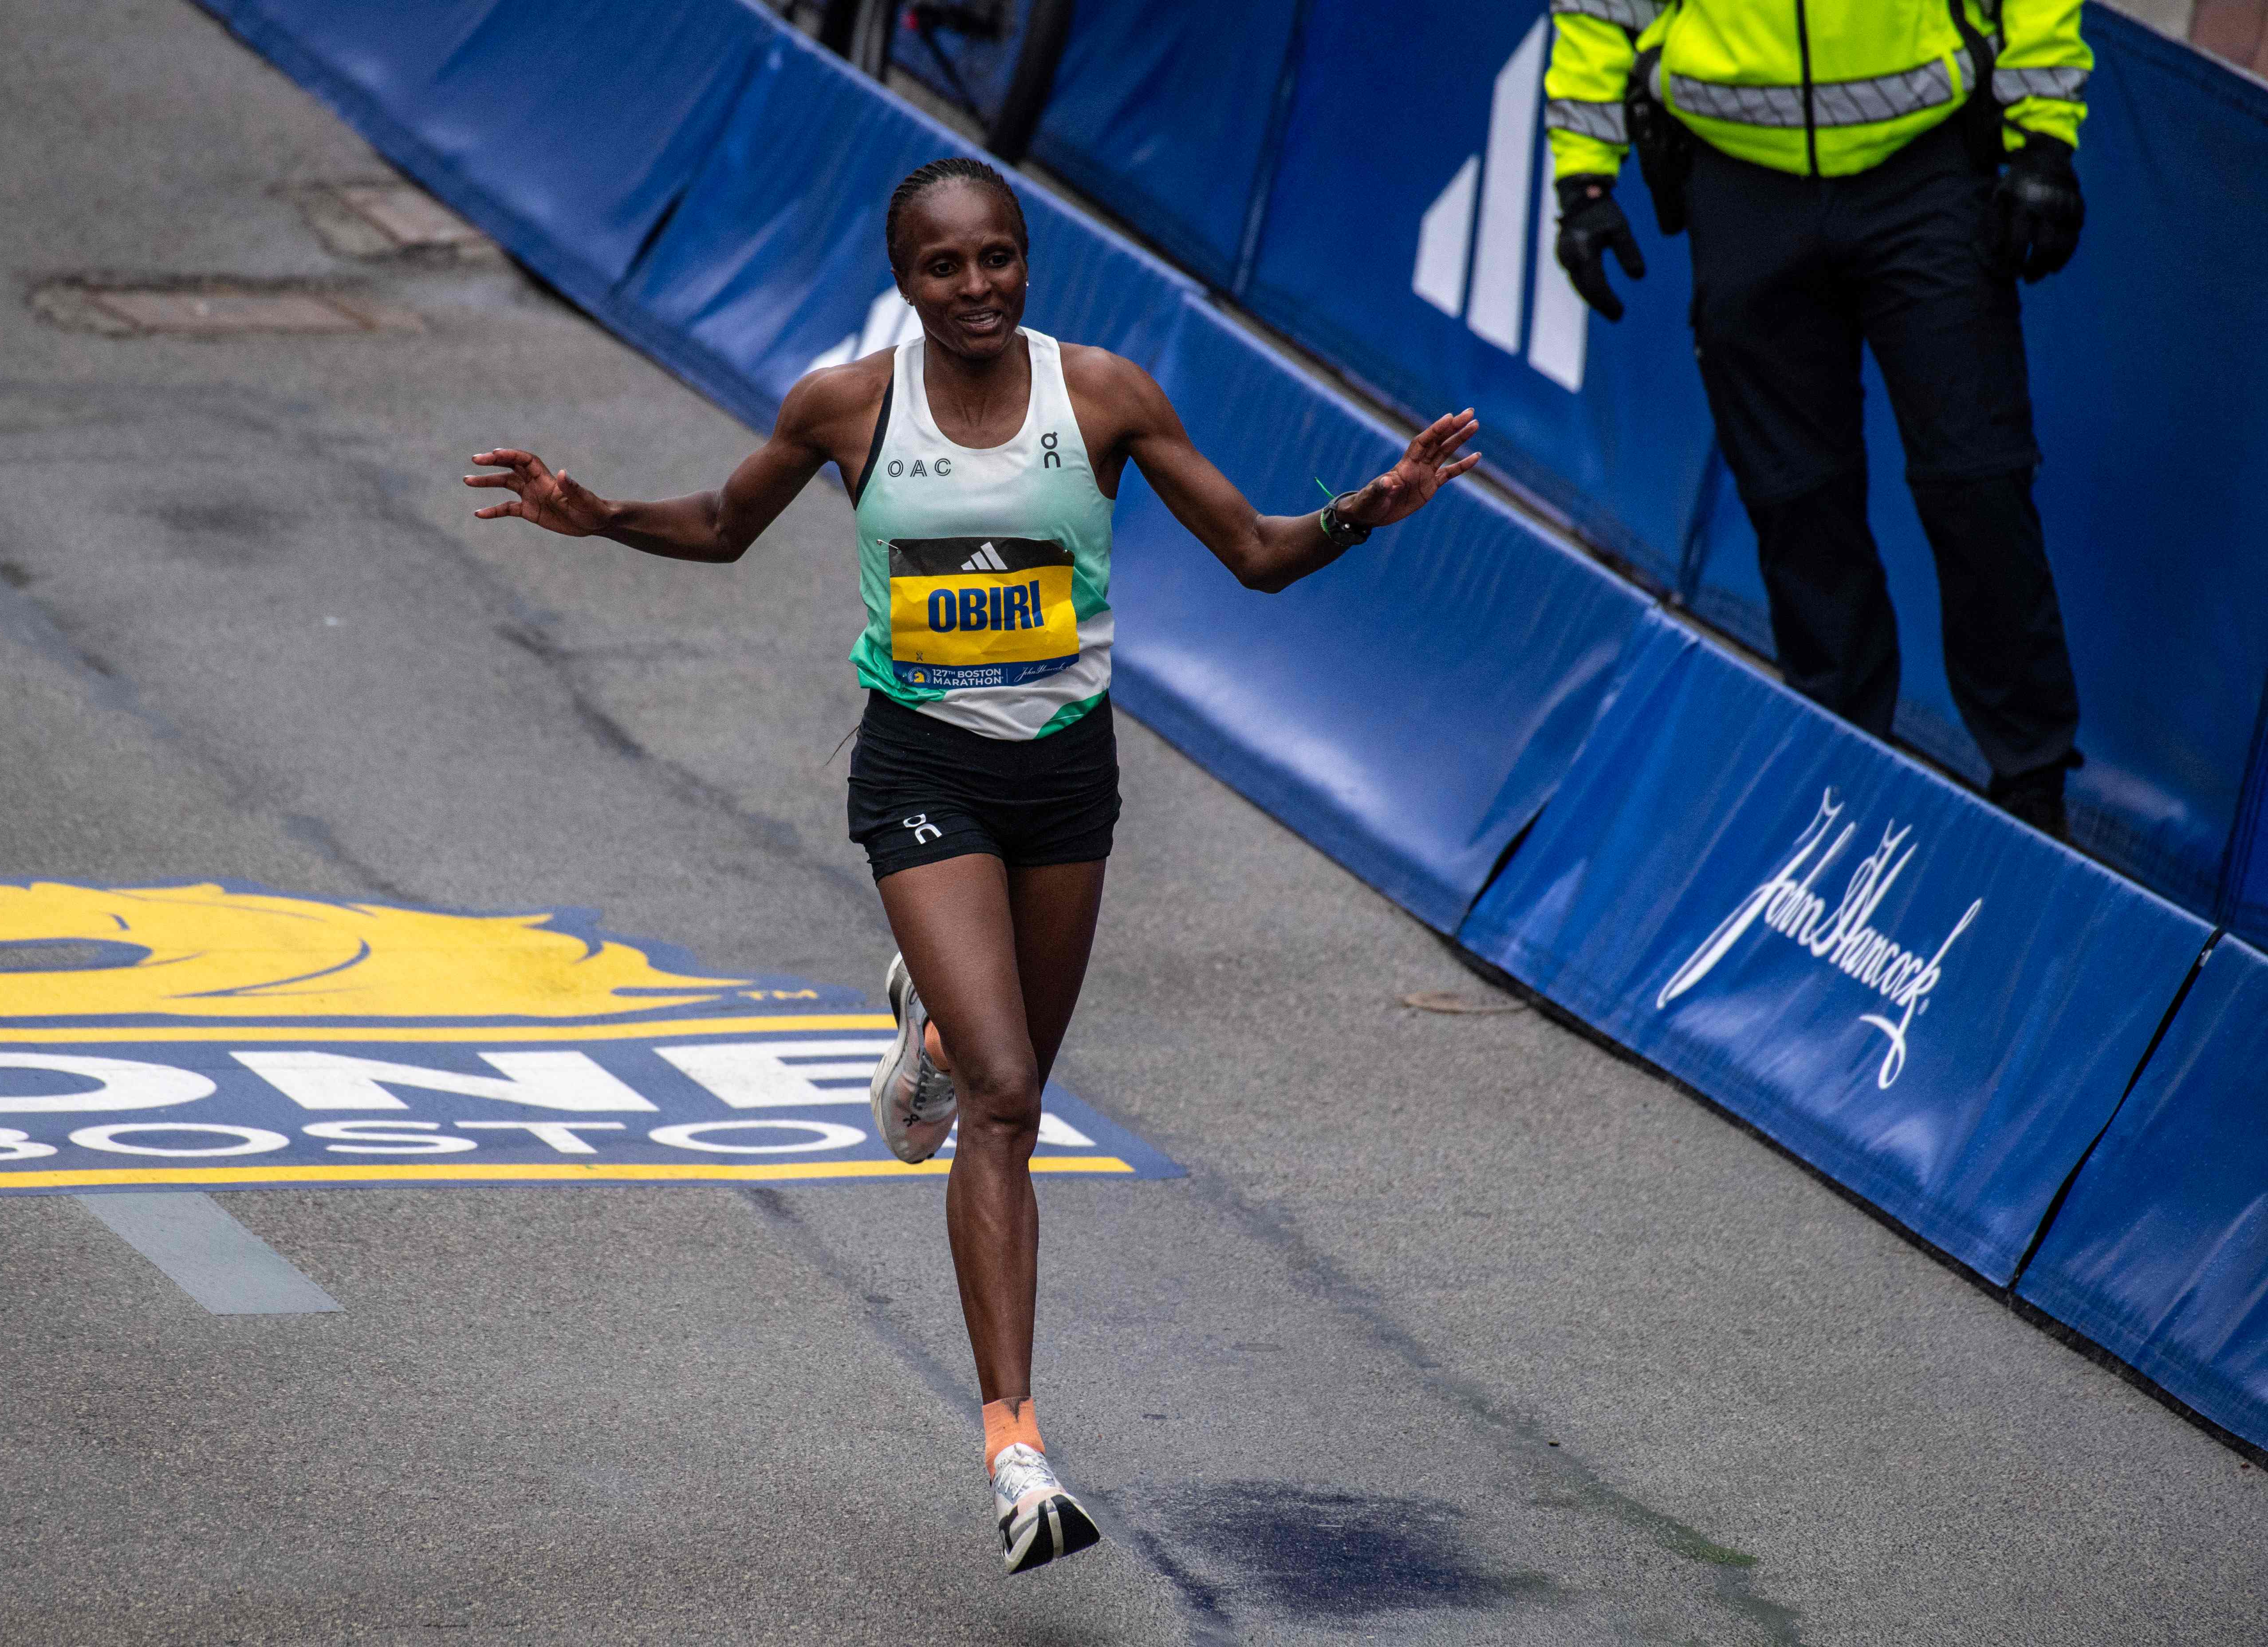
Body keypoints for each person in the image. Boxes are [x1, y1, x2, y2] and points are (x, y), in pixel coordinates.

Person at [465, 155, 1480, 1573]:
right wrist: (603, 514)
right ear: (905, 281)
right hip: (923, 773)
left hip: (1065, 777)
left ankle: (932, 1030)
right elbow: (724, 526)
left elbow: (1255, 550)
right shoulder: (848, 406)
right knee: (1006, 1100)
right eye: (943, 266)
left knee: (1006, 1071)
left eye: (996, 256)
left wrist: (1374, 503)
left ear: (1026, 262)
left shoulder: (1104, 396)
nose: (976, 285)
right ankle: (1017, 1448)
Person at [1544, 0, 2092, 838]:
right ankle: (1839, 775)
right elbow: (1598, 6)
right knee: (1796, 502)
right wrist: (1584, 178)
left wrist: (2044, 136)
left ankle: (2033, 791)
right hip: (1736, 174)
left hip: (1925, 163)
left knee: (1978, 482)